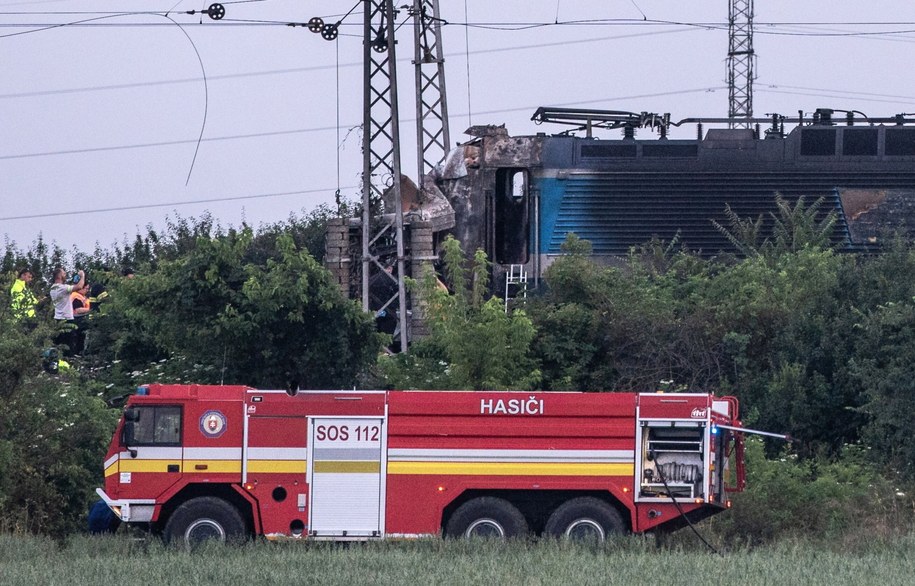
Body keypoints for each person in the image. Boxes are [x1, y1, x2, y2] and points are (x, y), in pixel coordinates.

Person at [50, 267, 85, 355]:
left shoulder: (53, 288)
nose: (65, 275)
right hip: (67, 320)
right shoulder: (62, 288)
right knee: (68, 346)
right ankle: (68, 364)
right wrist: (82, 276)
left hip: (58, 319)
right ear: (59, 276)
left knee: (59, 345)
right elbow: (79, 286)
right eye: (64, 274)